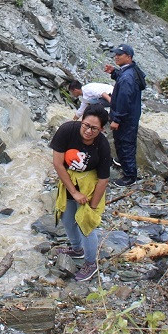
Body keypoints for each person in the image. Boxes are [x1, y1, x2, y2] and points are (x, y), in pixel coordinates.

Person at [50, 107, 111, 282]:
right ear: (81, 120)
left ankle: (91, 263)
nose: (88, 131)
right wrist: (74, 192)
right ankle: (77, 249)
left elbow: (103, 180)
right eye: (86, 125)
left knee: (86, 224)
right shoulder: (67, 130)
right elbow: (58, 164)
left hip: (89, 184)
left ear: (101, 130)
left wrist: (92, 207)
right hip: (69, 180)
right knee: (67, 218)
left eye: (94, 129)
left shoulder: (102, 145)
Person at [105, 43, 146, 187]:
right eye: (115, 54)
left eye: (119, 55)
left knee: (125, 145)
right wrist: (113, 73)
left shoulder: (127, 77)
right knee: (124, 144)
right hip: (131, 116)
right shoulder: (129, 70)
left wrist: (116, 119)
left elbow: (124, 100)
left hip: (126, 119)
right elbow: (123, 80)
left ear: (128, 57)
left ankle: (130, 177)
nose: (116, 57)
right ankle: (125, 167)